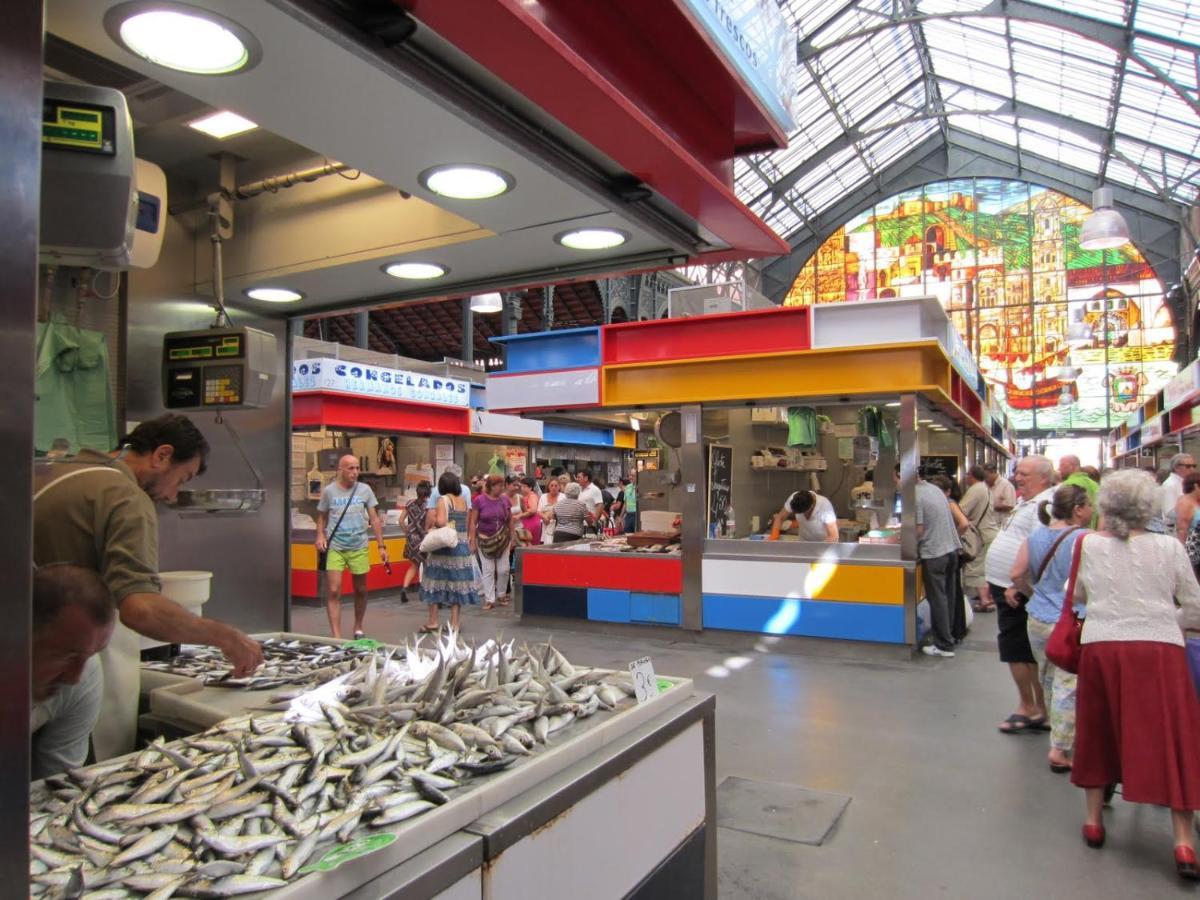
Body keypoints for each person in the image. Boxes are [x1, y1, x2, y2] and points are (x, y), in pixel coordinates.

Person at [33, 414, 264, 759]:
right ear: (161, 455)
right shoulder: (126, 498)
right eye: (181, 479)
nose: (172, 495)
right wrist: (225, 637)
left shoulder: (61, 472)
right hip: (56, 668)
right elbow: (139, 608)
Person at [1067, 470, 1200, 880]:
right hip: (1160, 650)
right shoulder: (1169, 549)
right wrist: (1165, 617)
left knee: (1098, 729)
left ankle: (1094, 820)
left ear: (1106, 507)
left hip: (1103, 647)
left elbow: (1078, 598)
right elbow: (1194, 607)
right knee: (1172, 736)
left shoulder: (1089, 545)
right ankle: (1182, 841)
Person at [1009, 484, 1092, 774]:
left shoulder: (1034, 536)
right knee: (1068, 684)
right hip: (1072, 621)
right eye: (1089, 505)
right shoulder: (1085, 539)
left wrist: (1033, 595)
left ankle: (1058, 729)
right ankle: (1061, 747)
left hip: (1038, 620)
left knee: (1046, 678)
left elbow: (1016, 574)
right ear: (1078, 509)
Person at [987, 456, 1056, 734]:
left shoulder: (1043, 505)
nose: (1018, 477)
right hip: (1008, 585)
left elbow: (1040, 550)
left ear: (1044, 477)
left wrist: (1019, 583)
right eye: (1017, 472)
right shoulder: (1029, 501)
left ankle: (1031, 707)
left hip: (1016, 591)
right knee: (1023, 649)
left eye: (1025, 474)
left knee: (1018, 648)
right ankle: (1038, 707)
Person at [30, 564, 115, 780]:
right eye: (67, 656)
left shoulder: (86, 674)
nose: (74, 678)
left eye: (90, 655)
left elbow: (55, 786)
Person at [316, 454, 387, 639]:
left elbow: (374, 518)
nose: (355, 472)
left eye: (357, 468)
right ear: (341, 469)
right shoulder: (329, 491)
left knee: (361, 589)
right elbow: (322, 515)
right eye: (351, 468)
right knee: (333, 590)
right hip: (336, 547)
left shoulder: (365, 490)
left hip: (359, 545)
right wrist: (320, 535)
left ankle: (358, 627)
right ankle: (336, 636)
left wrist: (381, 546)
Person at [420, 471, 478, 633]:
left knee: (433, 582)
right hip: (460, 547)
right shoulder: (464, 502)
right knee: (456, 586)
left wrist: (433, 521)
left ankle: (433, 621)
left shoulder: (443, 499)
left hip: (443, 549)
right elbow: (467, 524)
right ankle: (454, 623)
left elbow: (441, 522)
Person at [914, 469, 963, 657]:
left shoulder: (915, 495)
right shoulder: (934, 489)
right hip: (950, 550)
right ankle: (948, 637)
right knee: (948, 596)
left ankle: (943, 645)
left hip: (934, 553)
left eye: (895, 478)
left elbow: (919, 529)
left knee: (938, 599)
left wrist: (905, 542)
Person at [930, 474, 971, 642]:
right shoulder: (945, 503)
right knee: (952, 592)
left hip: (949, 550)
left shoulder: (949, 503)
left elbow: (964, 524)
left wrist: (951, 537)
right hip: (950, 550)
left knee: (951, 593)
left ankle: (954, 631)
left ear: (947, 492)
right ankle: (954, 631)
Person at [471, 474, 516, 610]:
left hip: (503, 538)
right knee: (488, 570)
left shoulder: (504, 500)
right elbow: (473, 522)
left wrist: (513, 537)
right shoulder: (479, 501)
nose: (501, 488)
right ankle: (489, 599)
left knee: (504, 569)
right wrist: (472, 541)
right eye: (499, 486)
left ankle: (501, 594)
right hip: (484, 540)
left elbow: (510, 520)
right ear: (491, 487)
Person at [961, 465, 996, 613]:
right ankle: (988, 598)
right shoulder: (985, 488)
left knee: (976, 568)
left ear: (972, 476)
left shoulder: (975, 490)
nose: (965, 477)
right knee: (983, 568)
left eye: (967, 474)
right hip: (989, 532)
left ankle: (985, 601)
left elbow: (962, 510)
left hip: (980, 535)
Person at [400, 480, 432, 604]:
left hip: (411, 539)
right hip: (424, 539)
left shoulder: (409, 503)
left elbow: (401, 520)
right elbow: (430, 523)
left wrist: (407, 532)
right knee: (428, 565)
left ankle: (404, 588)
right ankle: (425, 591)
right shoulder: (429, 506)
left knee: (414, 565)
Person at [771, 489, 838, 542]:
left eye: (803, 512)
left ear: (811, 506)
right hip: (803, 543)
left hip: (823, 544)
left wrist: (822, 555)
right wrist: (774, 536)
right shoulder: (794, 498)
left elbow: (833, 536)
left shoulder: (825, 506)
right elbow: (780, 518)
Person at [1058, 455, 1099, 525]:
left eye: (1062, 465)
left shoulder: (1067, 485)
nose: (1059, 468)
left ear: (1072, 467)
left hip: (1074, 532)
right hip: (1093, 533)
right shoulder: (1094, 484)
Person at [1162, 452, 1196, 533]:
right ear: (1176, 467)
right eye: (1188, 466)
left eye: (1194, 466)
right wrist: (1194, 514)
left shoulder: (1185, 483)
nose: (1192, 469)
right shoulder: (1170, 484)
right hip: (1175, 530)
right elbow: (1169, 512)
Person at [984, 463, 1016, 532]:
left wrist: (991, 506)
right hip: (989, 525)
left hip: (1001, 526)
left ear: (993, 472)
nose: (985, 479)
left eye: (986, 476)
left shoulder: (1006, 485)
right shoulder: (986, 485)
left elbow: (1010, 505)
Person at [1175, 471, 1200, 553]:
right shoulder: (1185, 502)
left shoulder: (1196, 501)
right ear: (1196, 486)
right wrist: (1182, 551)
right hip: (1193, 547)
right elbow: (1182, 529)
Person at [518, 476, 543, 545]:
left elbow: (533, 510)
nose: (522, 488)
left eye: (524, 487)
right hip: (527, 522)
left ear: (530, 487)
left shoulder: (532, 496)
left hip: (532, 523)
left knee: (530, 545)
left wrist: (520, 515)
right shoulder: (524, 496)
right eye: (521, 486)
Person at [538, 477, 562, 544]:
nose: (553, 487)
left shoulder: (563, 496)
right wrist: (544, 517)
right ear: (548, 487)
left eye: (556, 486)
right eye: (551, 485)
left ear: (559, 487)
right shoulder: (543, 496)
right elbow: (538, 511)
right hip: (546, 524)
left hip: (558, 526)